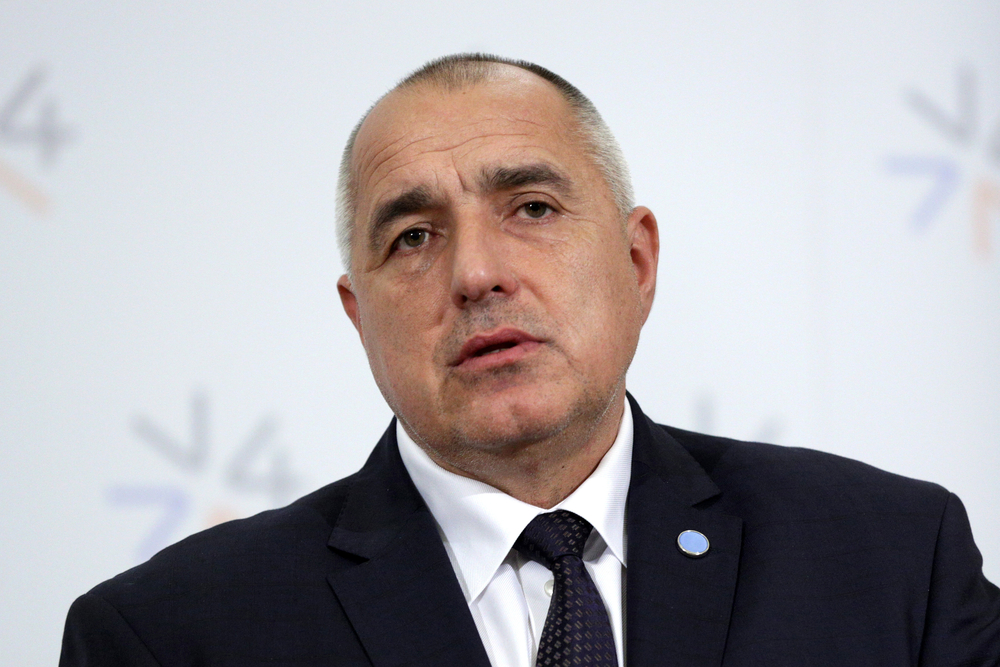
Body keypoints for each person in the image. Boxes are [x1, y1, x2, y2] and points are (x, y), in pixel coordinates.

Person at [60, 53, 999, 666]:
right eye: (414, 236)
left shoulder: (893, 558)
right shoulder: (170, 636)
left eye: (533, 208)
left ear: (637, 262)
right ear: (358, 317)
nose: (476, 273)